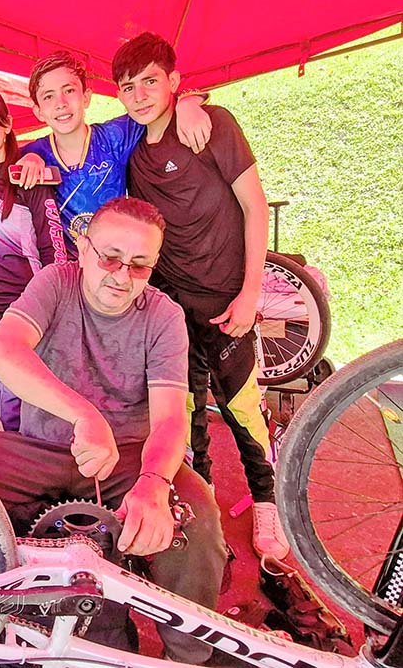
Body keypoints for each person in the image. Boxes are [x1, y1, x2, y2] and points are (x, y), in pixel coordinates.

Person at [0, 197, 226, 664]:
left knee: (198, 512)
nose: (121, 276)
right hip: (40, 448)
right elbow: (3, 351)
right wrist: (85, 415)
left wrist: (153, 483)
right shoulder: (54, 283)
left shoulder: (164, 315)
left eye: (139, 265)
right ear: (82, 249)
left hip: (126, 459)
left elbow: (170, 419)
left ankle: (191, 655)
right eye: (110, 257)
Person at [113, 31, 287, 560]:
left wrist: (251, 290)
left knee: (243, 411)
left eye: (150, 82)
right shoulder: (132, 150)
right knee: (185, 419)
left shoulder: (214, 127)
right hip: (170, 308)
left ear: (173, 81)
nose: (139, 94)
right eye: (127, 86)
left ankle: (268, 503)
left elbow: (254, 207)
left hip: (225, 302)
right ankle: (202, 512)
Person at [0, 50, 212, 257]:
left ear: (86, 96)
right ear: (38, 111)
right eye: (49, 96)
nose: (61, 104)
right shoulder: (32, 152)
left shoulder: (115, 136)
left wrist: (188, 101)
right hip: (69, 280)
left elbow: (155, 104)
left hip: (118, 269)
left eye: (69, 91)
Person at [0, 86, 67, 432]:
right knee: (9, 412)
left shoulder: (28, 176)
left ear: (5, 124)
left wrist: (53, 313)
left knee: (45, 412)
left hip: (32, 319)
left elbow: (55, 253)